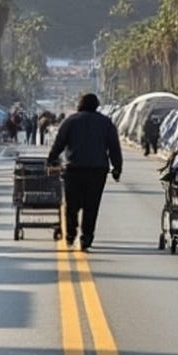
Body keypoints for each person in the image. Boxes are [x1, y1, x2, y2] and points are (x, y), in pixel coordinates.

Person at [47, 92, 123, 251]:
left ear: (80, 105)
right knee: (91, 206)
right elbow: (114, 147)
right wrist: (117, 168)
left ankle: (70, 233)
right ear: (96, 105)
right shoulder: (106, 123)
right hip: (97, 171)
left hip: (73, 169)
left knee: (71, 204)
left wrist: (52, 159)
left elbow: (59, 143)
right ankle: (86, 238)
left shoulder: (70, 121)